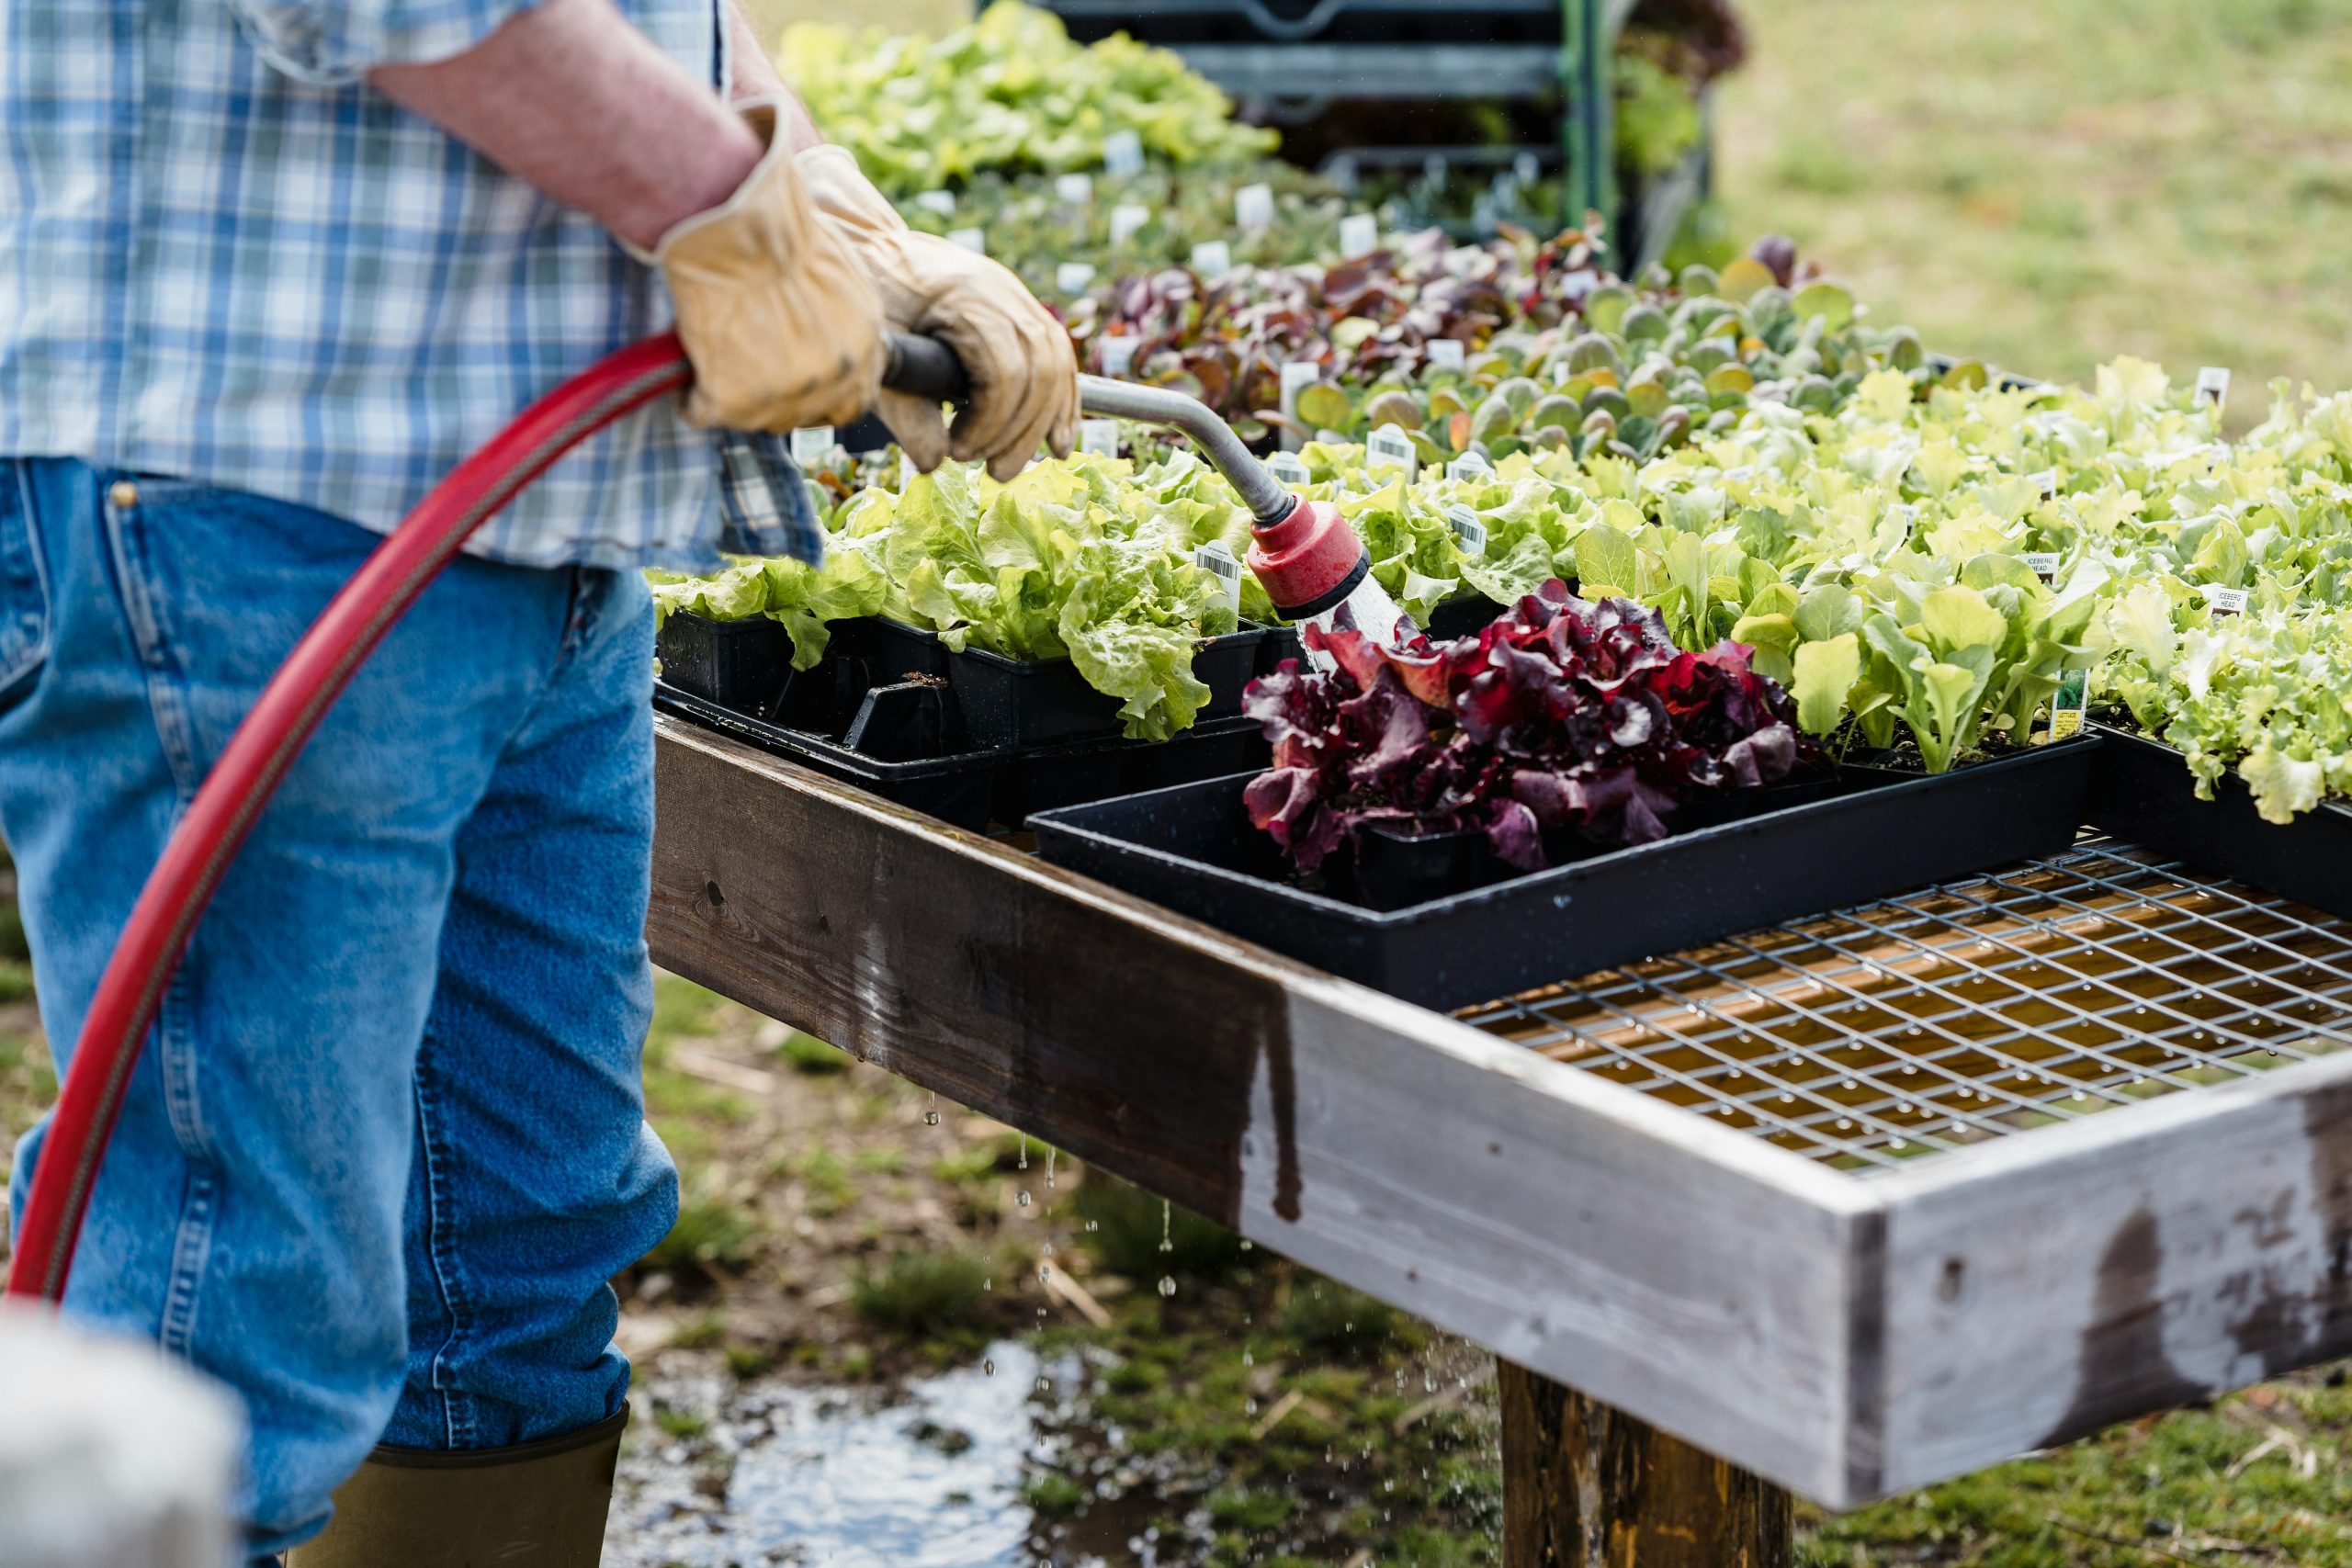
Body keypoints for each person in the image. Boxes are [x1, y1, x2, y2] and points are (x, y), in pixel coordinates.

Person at [0, 0, 1080, 1561]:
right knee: (222, 1318)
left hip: (533, 517)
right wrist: (729, 210)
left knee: (505, 1251)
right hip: (251, 498)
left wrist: (834, 210)